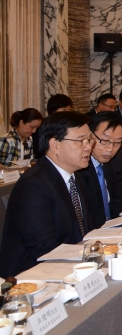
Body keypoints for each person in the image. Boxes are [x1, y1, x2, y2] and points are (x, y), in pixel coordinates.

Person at [0, 112, 95, 276]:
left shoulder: (75, 177)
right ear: (55, 145)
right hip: (32, 277)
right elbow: (43, 247)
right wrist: (89, 255)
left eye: (89, 140)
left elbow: (84, 229)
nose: (88, 147)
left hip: (72, 264)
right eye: (81, 141)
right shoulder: (33, 185)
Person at [76, 112, 122, 229]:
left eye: (117, 143)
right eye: (105, 141)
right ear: (90, 137)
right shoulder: (80, 169)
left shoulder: (108, 165)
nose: (110, 149)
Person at [32, 94, 74, 159]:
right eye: (64, 109)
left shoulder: (68, 125)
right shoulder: (43, 125)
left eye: (69, 110)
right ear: (53, 110)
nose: (67, 113)